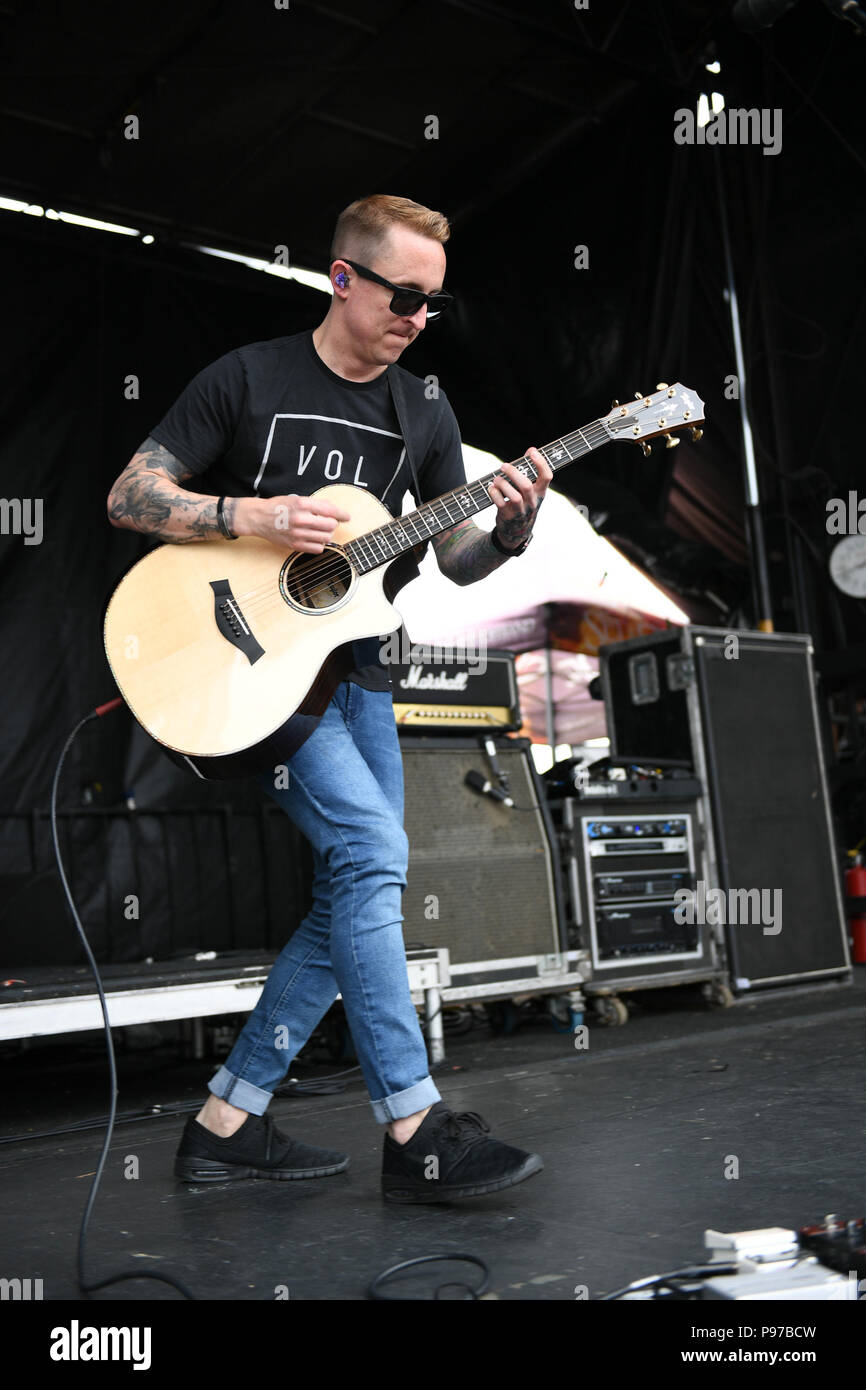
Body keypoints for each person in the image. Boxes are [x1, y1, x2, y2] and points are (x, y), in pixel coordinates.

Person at [106, 194, 553, 1203]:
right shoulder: (249, 377)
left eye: (432, 303)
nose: (416, 318)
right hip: (252, 672)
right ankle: (414, 1121)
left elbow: (457, 559)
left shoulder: (422, 410)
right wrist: (246, 513)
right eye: (403, 294)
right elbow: (130, 494)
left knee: (355, 884)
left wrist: (515, 529)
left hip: (358, 670)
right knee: (373, 854)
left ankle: (227, 1119)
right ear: (343, 278)